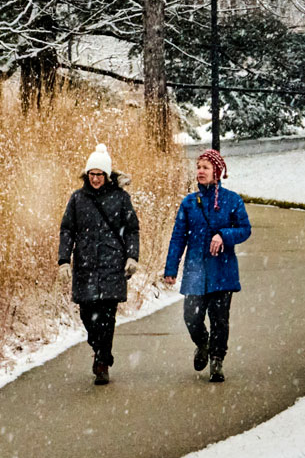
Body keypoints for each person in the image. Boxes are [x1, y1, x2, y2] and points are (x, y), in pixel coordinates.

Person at [162, 148, 253, 383]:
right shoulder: (190, 203)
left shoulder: (232, 200)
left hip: (222, 270)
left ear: (217, 172)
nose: (200, 171)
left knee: (219, 319)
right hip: (195, 271)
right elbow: (178, 236)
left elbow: (245, 230)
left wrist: (223, 235)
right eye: (198, 167)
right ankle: (202, 344)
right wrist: (171, 268)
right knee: (191, 317)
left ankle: (217, 360)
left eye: (205, 167)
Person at [58, 144, 140, 385]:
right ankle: (100, 348)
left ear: (107, 175)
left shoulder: (121, 198)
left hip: (112, 264)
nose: (95, 179)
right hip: (85, 265)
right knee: (87, 315)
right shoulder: (77, 199)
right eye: (92, 174)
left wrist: (132, 257)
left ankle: (102, 361)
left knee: (107, 315)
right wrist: (64, 260)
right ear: (87, 175)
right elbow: (67, 230)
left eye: (100, 174)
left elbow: (132, 230)